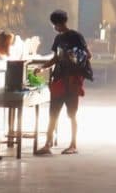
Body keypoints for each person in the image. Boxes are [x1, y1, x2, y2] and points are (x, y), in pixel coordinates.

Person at [37, 9, 89, 156]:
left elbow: (87, 55)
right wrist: (42, 67)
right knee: (53, 113)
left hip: (72, 81)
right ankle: (47, 144)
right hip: (58, 80)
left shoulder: (76, 37)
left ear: (60, 23)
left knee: (71, 114)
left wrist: (72, 57)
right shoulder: (58, 39)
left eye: (55, 24)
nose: (55, 27)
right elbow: (55, 58)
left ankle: (73, 145)